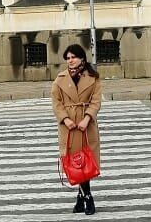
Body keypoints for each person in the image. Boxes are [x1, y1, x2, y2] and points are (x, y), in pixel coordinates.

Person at [51, 43, 102, 215]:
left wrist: (87, 118)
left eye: (73, 57)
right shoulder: (60, 79)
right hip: (70, 128)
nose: (70, 61)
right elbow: (56, 102)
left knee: (86, 162)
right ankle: (86, 197)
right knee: (76, 164)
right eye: (68, 58)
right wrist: (65, 119)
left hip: (86, 127)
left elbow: (96, 101)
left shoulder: (93, 77)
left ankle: (84, 199)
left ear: (82, 58)